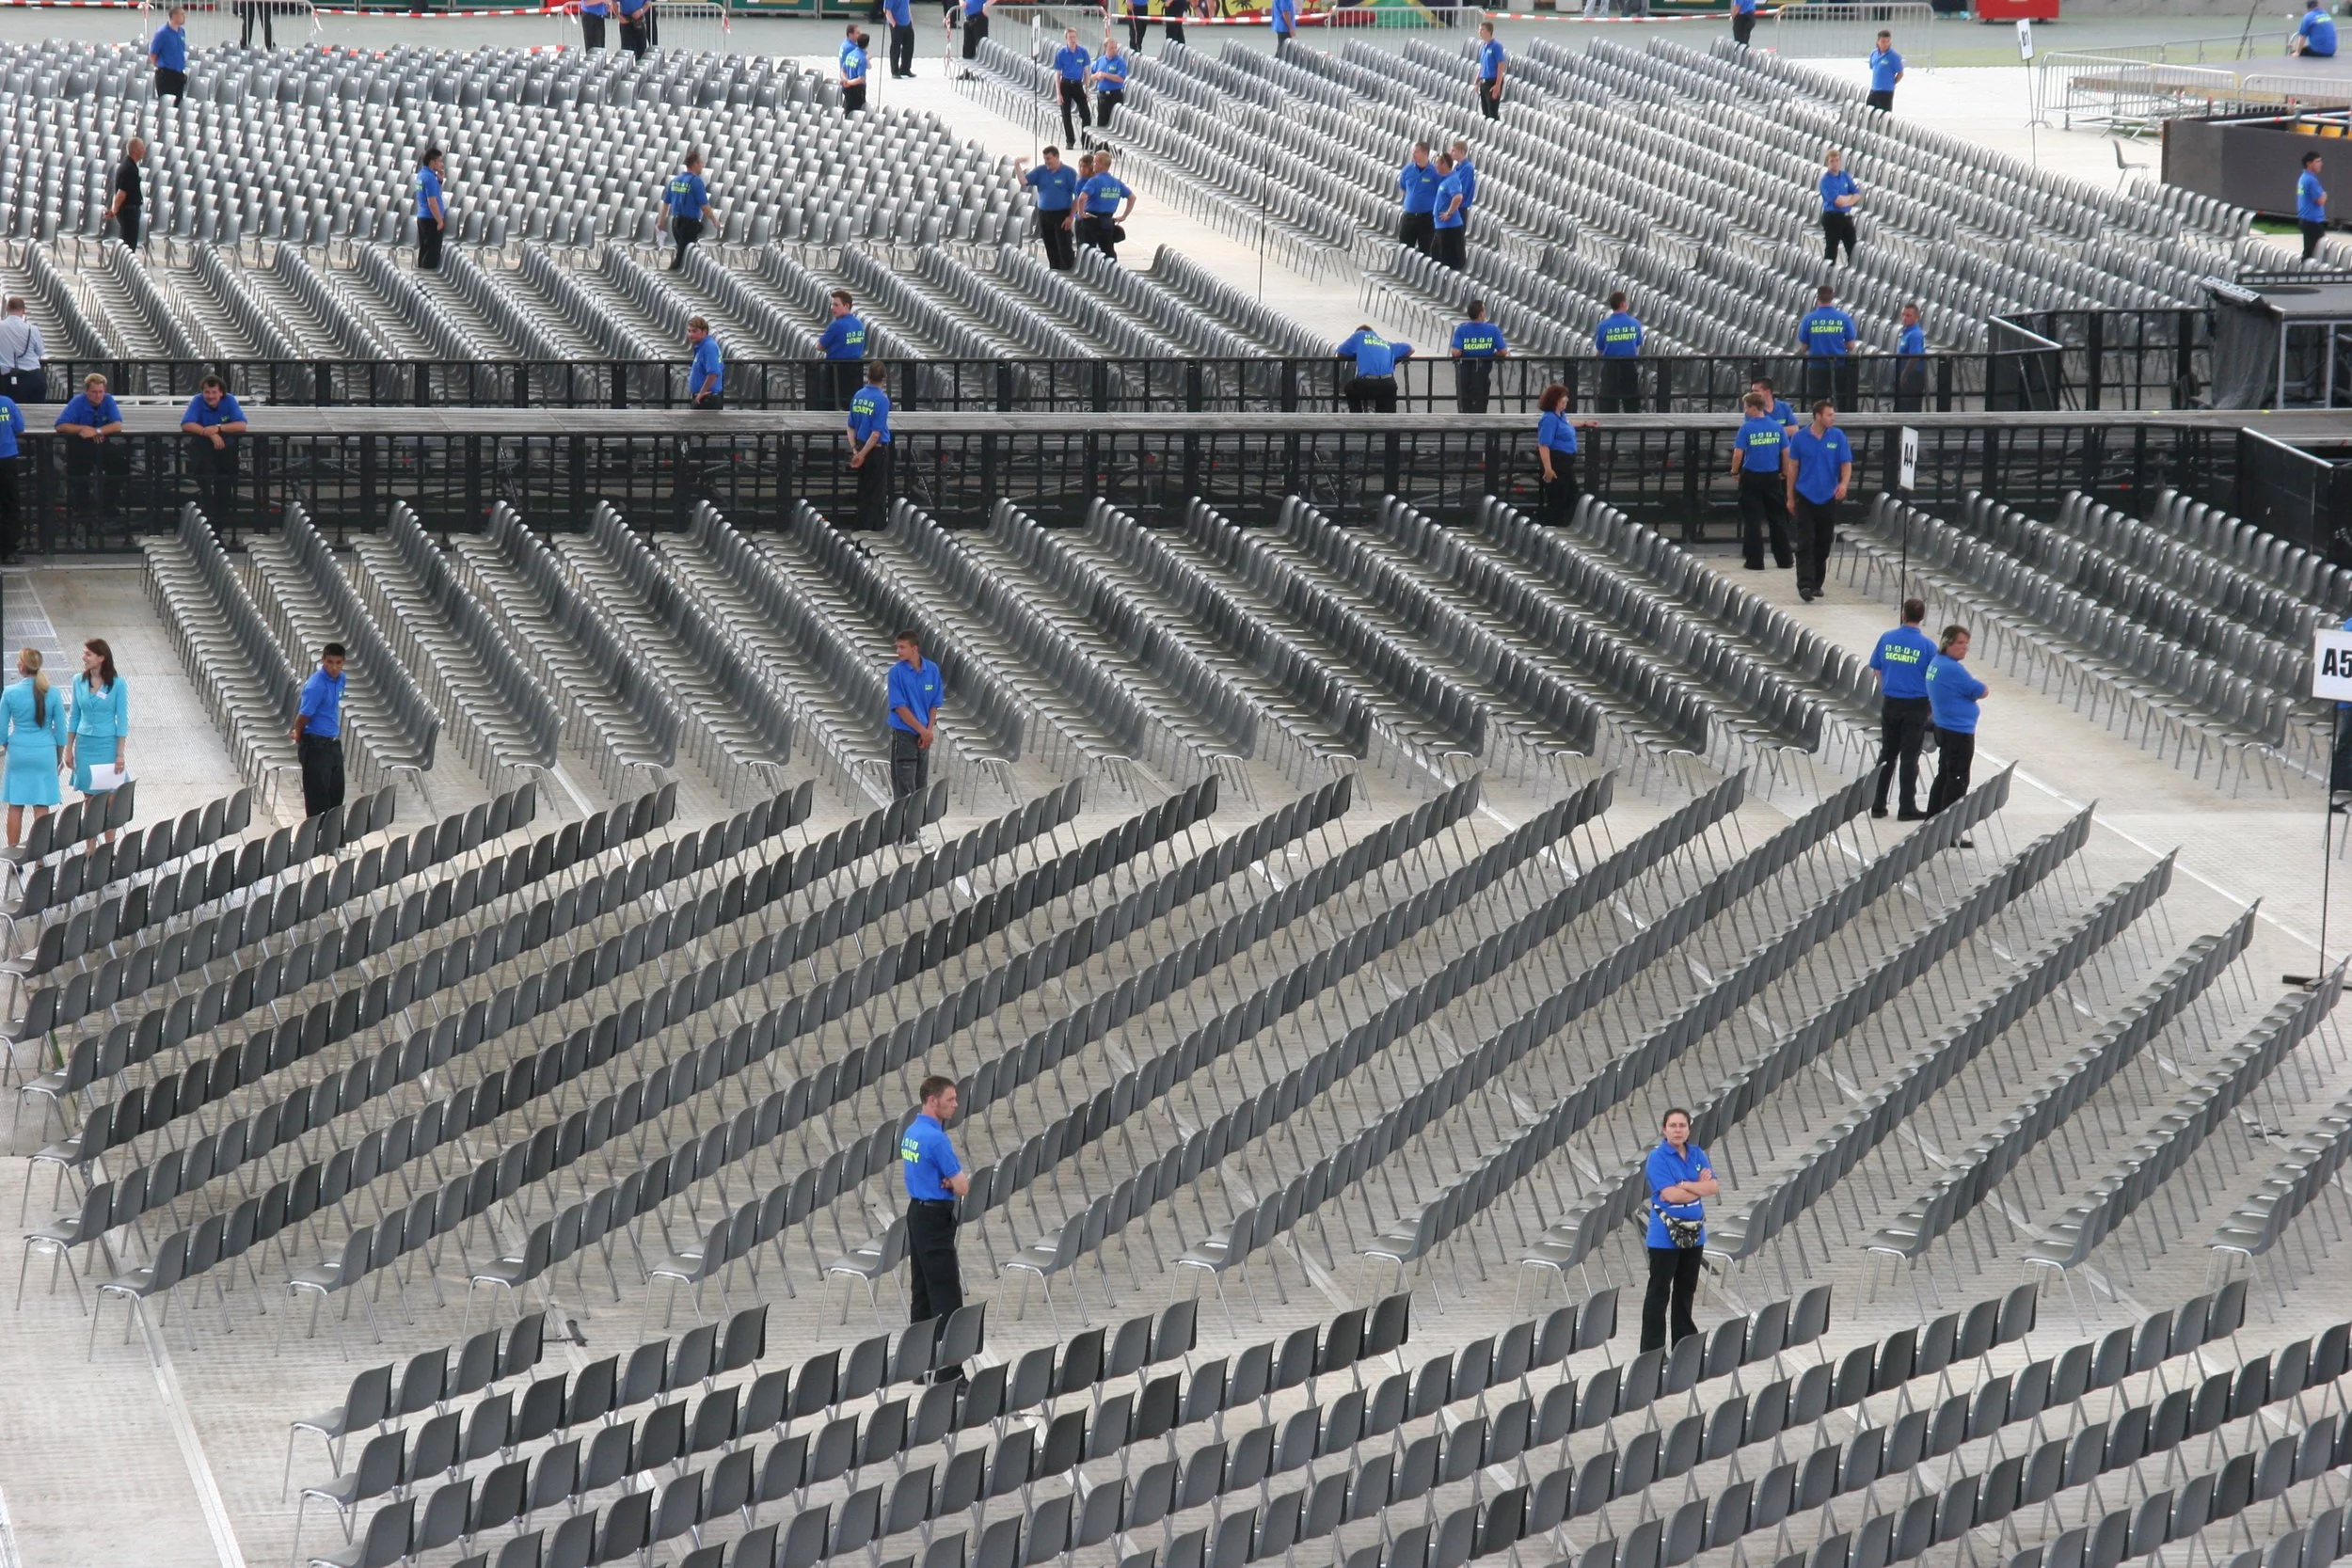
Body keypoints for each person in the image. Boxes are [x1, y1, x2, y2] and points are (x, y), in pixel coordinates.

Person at [900, 1073, 970, 1371]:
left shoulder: (911, 1132)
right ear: (933, 1101)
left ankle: (920, 1366)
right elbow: (963, 1186)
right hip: (935, 1218)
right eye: (950, 1099)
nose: (955, 1105)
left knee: (922, 1293)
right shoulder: (937, 1139)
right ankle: (951, 1372)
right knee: (946, 1296)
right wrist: (951, 1183)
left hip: (917, 1212)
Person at [1640, 1108, 1717, 1354]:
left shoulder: (1696, 1154)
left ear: (1688, 1129)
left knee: (1686, 1289)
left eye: (1682, 1125)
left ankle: (1683, 1346)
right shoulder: (1658, 1157)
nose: (1677, 1130)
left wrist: (1686, 1185)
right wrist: (1698, 1186)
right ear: (1664, 1129)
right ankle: (1652, 1351)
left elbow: (1713, 1186)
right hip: (1665, 1237)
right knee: (1659, 1292)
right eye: (1672, 1125)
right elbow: (1669, 1195)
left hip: (1694, 1233)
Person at [1868, 598, 1937, 820]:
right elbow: (1933, 679)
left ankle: (1878, 804)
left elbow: (1876, 668)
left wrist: (1887, 689)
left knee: (1887, 753)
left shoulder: (1887, 638)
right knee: (1910, 757)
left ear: (1904, 615)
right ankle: (1906, 806)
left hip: (1891, 702)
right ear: (1922, 617)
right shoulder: (1928, 646)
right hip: (1916, 705)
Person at [1782, 399, 1850, 603]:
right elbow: (1793, 467)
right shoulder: (1800, 438)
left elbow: (1846, 463)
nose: (1833, 418)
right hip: (1805, 496)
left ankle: (1817, 583)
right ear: (1818, 416)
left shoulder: (1837, 437)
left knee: (1822, 544)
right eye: (1829, 415)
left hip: (1828, 497)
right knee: (1805, 542)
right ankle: (1805, 584)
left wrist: (1843, 484)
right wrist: (1790, 496)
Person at [1924, 625, 1984, 841]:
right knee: (1957, 780)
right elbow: (1980, 690)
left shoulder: (1937, 664)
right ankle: (1948, 832)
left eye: (1966, 644)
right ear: (1947, 643)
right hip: (1957, 730)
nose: (1964, 648)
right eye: (1960, 643)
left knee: (1944, 775)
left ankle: (1932, 820)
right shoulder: (1952, 668)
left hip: (1945, 726)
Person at [2, 648, 66, 850]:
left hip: (19, 751)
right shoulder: (53, 693)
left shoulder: (10, 693)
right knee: (41, 806)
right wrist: (59, 756)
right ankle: (39, 857)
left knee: (16, 805)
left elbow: (1, 729)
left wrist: (8, 746)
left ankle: (13, 854)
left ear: (22, 666)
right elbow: (61, 731)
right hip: (45, 751)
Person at [64, 638, 129, 823]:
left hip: (106, 745)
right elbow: (74, 715)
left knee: (110, 798)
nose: (83, 657)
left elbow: (122, 720)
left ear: (101, 657)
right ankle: (90, 848)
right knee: (90, 799)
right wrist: (69, 748)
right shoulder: (78, 681)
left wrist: (120, 754)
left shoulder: (118, 684)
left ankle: (109, 846)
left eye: (88, 654)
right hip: (85, 745)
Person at [1729, 390, 1792, 572]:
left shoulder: (1746, 428)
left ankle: (1755, 561)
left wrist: (1734, 471)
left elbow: (1738, 453)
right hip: (1772, 476)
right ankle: (1785, 559)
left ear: (1753, 408)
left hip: (1752, 476)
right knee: (1777, 518)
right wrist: (1784, 472)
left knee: (1752, 520)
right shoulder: (1777, 427)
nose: (1745, 410)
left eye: (1746, 407)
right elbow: (1786, 452)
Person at [54, 373, 123, 518]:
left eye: (100, 392)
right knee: (78, 472)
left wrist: (97, 431)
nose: (98, 396)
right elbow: (61, 425)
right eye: (94, 392)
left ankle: (108, 504)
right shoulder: (77, 402)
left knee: (120, 466)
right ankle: (81, 508)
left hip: (101, 442)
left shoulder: (109, 400)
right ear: (87, 392)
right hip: (80, 444)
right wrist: (81, 429)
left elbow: (117, 424)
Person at [180, 374, 247, 516]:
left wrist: (218, 428)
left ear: (221, 393)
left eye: (214, 392)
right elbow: (187, 424)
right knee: (203, 473)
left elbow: (241, 425)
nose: (210, 396)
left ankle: (219, 518)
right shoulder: (198, 401)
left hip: (226, 450)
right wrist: (208, 433)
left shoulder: (230, 400)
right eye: (207, 392)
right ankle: (207, 503)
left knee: (224, 486)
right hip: (203, 449)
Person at [887, 629, 944, 799]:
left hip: (924, 736)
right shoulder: (896, 673)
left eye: (902, 647)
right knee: (905, 788)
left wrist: (928, 730)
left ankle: (915, 823)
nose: (898, 652)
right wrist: (923, 731)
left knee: (920, 787)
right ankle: (903, 823)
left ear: (914, 648)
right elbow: (900, 708)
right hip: (905, 734)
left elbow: (934, 703)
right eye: (897, 647)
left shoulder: (932, 670)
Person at [293, 643, 347, 820]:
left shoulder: (341, 679)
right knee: (318, 800)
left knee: (335, 796)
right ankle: (317, 841)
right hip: (316, 744)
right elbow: (303, 716)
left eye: (338, 663)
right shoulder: (316, 685)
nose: (334, 667)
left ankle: (331, 841)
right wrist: (298, 735)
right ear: (323, 660)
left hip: (332, 743)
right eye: (330, 662)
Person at [848, 363, 894, 531]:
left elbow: (850, 426)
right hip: (875, 451)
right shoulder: (882, 399)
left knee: (864, 492)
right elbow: (876, 434)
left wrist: (855, 450)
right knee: (876, 494)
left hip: (860, 446)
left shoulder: (858, 395)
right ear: (884, 378)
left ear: (868, 375)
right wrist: (863, 454)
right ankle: (869, 532)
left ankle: (863, 529)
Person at [1798, 284, 1859, 408]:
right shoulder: (1843, 318)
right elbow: (1851, 345)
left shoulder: (1809, 319)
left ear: (1817, 298)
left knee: (1817, 403)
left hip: (1816, 366)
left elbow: (1804, 347)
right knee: (1842, 401)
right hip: (1839, 365)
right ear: (1832, 297)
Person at [1019, 148, 1080, 271]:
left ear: (1056, 157)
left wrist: (1071, 216)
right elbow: (1023, 181)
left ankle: (1067, 272)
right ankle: (1055, 270)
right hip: (1044, 214)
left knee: (1064, 247)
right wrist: (1017, 165)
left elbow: (1078, 196)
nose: (1046, 162)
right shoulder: (1041, 171)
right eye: (1045, 159)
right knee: (1050, 246)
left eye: (1049, 159)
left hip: (1062, 214)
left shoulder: (1069, 173)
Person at [660, 150, 719, 273]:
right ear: (695, 164)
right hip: (689, 224)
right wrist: (714, 220)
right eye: (701, 163)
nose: (702, 165)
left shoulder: (675, 180)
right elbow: (704, 206)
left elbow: (666, 203)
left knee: (684, 256)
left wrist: (661, 221)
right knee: (681, 259)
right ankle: (668, 278)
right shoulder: (696, 182)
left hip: (676, 223)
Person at [1535, 382, 1583, 525]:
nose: (1567, 400)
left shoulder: (1561, 416)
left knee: (1570, 494)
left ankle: (1562, 524)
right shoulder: (1549, 418)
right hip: (1557, 462)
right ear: (1555, 399)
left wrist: (1585, 423)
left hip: (1566, 462)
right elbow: (1544, 445)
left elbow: (1567, 424)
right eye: (1564, 397)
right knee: (1559, 498)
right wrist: (1548, 469)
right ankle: (1552, 528)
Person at [1337, 325, 1412, 412]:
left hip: (1368, 383)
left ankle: (1357, 418)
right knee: (1387, 417)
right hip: (1389, 383)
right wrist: (1392, 362)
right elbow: (1410, 349)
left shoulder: (1360, 335)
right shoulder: (1387, 344)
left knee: (1350, 389)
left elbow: (1340, 353)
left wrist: (1356, 355)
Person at [1075, 151, 1134, 261]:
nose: (1093, 165)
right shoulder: (1116, 182)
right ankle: (1111, 273)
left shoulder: (1094, 181)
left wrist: (1081, 213)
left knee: (1086, 252)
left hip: (1091, 219)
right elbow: (1132, 197)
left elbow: (1082, 198)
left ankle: (1088, 273)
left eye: (1094, 162)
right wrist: (1124, 216)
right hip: (1107, 220)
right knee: (1108, 251)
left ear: (1100, 164)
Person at [1451, 300, 1505, 414]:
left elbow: (1456, 353)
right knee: (1482, 400)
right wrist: (1492, 354)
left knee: (1465, 400)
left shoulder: (1462, 329)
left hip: (1465, 370)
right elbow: (1503, 351)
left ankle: (1465, 427)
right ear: (1481, 313)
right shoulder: (1493, 330)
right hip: (1483, 370)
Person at [1594, 291, 1644, 414]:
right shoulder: (1635, 324)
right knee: (1631, 398)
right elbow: (1637, 344)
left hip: (1610, 365)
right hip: (1629, 364)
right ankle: (1632, 426)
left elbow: (1600, 348)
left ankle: (1609, 428)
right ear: (1623, 304)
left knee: (1609, 400)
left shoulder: (1603, 326)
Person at [817, 291, 866, 408]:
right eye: (832, 305)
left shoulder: (836, 325)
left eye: (836, 305)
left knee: (830, 404)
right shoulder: (859, 324)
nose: (832, 308)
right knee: (851, 404)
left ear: (847, 306)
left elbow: (820, 346)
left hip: (836, 371)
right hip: (856, 370)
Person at [1397, 142, 1440, 256]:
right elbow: (1403, 188)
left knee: (1426, 251)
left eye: (1416, 152)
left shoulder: (1435, 173)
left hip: (1426, 218)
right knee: (1404, 249)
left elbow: (1440, 192)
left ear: (1425, 153)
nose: (1413, 154)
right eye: (1413, 152)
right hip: (1409, 216)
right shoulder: (1407, 170)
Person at [0, 298, 44, 407]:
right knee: (35, 415)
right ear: (23, 311)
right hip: (34, 378)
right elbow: (40, 351)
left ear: (7, 308)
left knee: (10, 414)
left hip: (9, 380)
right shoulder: (32, 329)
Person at [1819, 148, 1859, 265]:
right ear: (1827, 163)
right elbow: (1838, 201)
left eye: (1837, 160)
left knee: (1853, 249)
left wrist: (1846, 199)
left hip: (1846, 217)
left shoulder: (1845, 175)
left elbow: (1857, 194)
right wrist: (1850, 199)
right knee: (1831, 250)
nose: (1835, 163)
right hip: (1832, 218)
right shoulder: (1825, 181)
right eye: (1832, 161)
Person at [1053, 27, 1092, 143]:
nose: (1073, 40)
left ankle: (1086, 140)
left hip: (1077, 85)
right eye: (1070, 37)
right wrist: (1058, 93)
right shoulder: (1061, 53)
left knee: (1086, 113)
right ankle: (1070, 140)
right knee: (1066, 114)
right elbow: (1057, 74)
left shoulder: (1083, 53)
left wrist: (1087, 90)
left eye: (1074, 37)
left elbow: (1086, 72)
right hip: (1065, 84)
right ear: (1066, 39)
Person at [1432, 151, 1469, 271]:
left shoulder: (1452, 180)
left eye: (1437, 163)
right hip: (1442, 227)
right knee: (1437, 258)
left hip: (1450, 229)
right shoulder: (1445, 179)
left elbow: (1458, 197)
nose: (1436, 166)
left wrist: (1449, 212)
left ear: (1445, 165)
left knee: (1448, 263)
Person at [108, 137, 146, 252]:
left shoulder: (128, 166)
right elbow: (121, 193)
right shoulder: (129, 169)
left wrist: (114, 209)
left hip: (128, 211)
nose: (144, 150)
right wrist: (114, 210)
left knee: (127, 244)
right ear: (135, 150)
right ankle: (124, 268)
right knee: (129, 246)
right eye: (142, 147)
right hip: (129, 212)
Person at [416, 148, 448, 272]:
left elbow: (434, 194)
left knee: (424, 249)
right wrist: (439, 220)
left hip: (423, 217)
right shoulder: (429, 178)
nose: (442, 164)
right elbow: (432, 202)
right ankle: (426, 279)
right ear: (432, 162)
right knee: (431, 254)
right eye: (439, 161)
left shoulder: (422, 174)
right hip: (431, 219)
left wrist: (439, 181)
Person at [1089, 39, 1130, 134]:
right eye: (1111, 48)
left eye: (1115, 48)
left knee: (1116, 122)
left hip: (1115, 95)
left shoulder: (1120, 61)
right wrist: (1097, 76)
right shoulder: (1100, 60)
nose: (1114, 50)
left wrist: (1106, 75)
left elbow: (1121, 78)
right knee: (1102, 122)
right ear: (1105, 48)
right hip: (1103, 95)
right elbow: (1091, 75)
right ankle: (1103, 146)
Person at [0, 381, 21, 563]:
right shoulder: (7, 403)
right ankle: (9, 551)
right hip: (7, 458)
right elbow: (19, 427)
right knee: (10, 505)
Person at [1893, 301, 1927, 413]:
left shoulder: (1915, 334)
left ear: (1916, 318)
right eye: (1903, 314)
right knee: (1902, 407)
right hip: (1906, 374)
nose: (1904, 318)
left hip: (1912, 376)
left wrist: (1904, 374)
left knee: (1909, 408)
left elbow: (1914, 356)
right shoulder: (1907, 333)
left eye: (1908, 315)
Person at [685, 317, 724, 410]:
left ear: (704, 331)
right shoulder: (702, 346)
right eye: (689, 331)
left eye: (694, 331)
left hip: (707, 399)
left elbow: (713, 373)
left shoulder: (709, 347)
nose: (691, 334)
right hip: (703, 398)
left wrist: (702, 393)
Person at [151, 8, 188, 102]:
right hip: (166, 75)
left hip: (178, 74)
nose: (184, 17)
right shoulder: (162, 33)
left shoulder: (181, 32)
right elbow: (153, 53)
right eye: (182, 15)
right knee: (166, 103)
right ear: (174, 16)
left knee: (178, 104)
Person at [1865, 30, 1902, 113]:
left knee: (1884, 114)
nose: (1885, 44)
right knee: (1869, 111)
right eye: (1883, 42)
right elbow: (1873, 67)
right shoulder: (1874, 54)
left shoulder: (1894, 56)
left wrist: (1893, 82)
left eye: (1887, 42)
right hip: (1874, 89)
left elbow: (1900, 73)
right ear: (1878, 42)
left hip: (1886, 91)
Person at [2301, 150, 2329, 261]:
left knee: (2309, 251)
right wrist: (2325, 195)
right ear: (2309, 163)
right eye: (2317, 161)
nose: (2320, 164)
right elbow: (2320, 200)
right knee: (2318, 252)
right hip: (2313, 221)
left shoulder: (2303, 178)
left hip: (2306, 219)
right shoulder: (2311, 180)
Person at [1475, 21, 1504, 120]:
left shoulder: (1496, 46)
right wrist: (1477, 81)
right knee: (1485, 112)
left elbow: (1501, 65)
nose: (1479, 32)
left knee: (1492, 112)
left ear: (1489, 31)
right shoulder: (1484, 46)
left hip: (1492, 82)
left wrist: (1497, 85)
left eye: (1482, 30)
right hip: (1484, 82)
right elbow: (1482, 65)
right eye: (1479, 30)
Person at [840, 23, 870, 111]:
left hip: (847, 85)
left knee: (848, 110)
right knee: (858, 112)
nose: (859, 34)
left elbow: (843, 69)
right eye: (857, 33)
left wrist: (845, 80)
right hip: (856, 88)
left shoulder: (849, 51)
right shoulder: (853, 51)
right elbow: (861, 79)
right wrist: (848, 82)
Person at [883, 0, 915, 77]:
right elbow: (887, 10)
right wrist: (893, 23)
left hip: (907, 22)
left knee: (909, 46)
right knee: (895, 48)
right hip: (896, 23)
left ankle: (905, 69)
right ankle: (895, 71)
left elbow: (907, 6)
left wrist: (910, 18)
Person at [958, 0, 991, 71]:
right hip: (968, 17)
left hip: (979, 16)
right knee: (967, 47)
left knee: (981, 46)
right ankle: (967, 72)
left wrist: (987, 4)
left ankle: (982, 72)